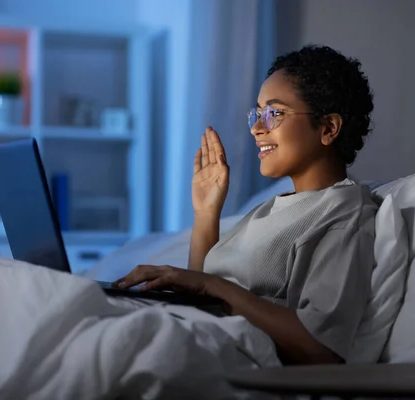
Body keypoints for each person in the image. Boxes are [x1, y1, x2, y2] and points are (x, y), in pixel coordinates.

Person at [113, 45, 377, 366]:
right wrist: (207, 212)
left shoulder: (345, 212)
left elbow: (321, 347)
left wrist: (215, 287)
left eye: (275, 113)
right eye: (257, 113)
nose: (256, 128)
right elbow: (202, 290)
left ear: (328, 128)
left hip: (234, 358)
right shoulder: (271, 208)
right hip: (197, 332)